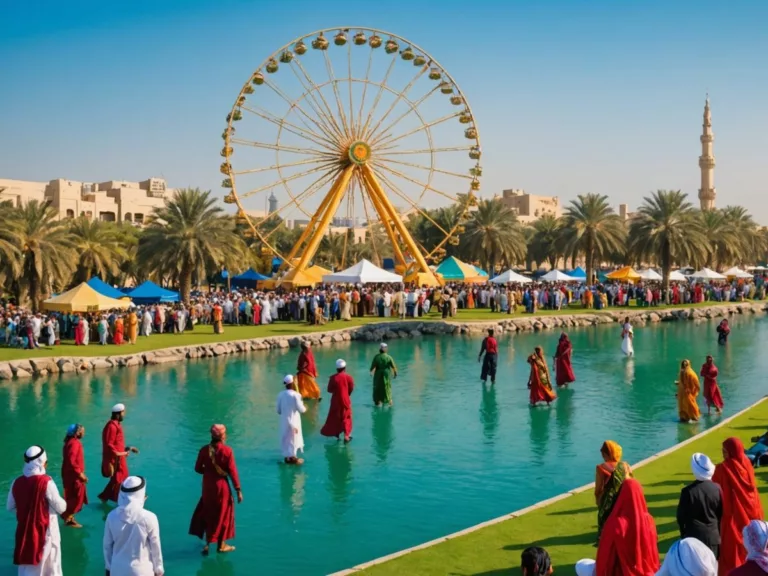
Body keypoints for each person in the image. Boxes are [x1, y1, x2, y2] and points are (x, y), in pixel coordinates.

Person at [578, 479, 660, 576]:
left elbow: (605, 556)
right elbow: (652, 553)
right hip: (647, 571)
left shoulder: (616, 522)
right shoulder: (649, 520)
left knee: (580, 564)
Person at [7, 446, 67, 576]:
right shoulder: (46, 482)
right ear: (42, 462)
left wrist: (27, 511)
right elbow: (61, 508)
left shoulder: (16, 482)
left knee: (26, 568)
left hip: (24, 531)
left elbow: (10, 506)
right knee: (50, 566)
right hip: (46, 531)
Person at [713, 437, 765, 576]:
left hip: (734, 514)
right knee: (754, 541)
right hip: (752, 507)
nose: (723, 454)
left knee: (733, 549)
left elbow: (716, 489)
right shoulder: (747, 463)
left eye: (725, 451)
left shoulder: (723, 468)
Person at [189, 424, 242, 556]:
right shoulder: (227, 451)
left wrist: (208, 472)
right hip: (221, 487)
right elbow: (232, 472)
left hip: (207, 486)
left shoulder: (204, 450)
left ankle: (207, 545)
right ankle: (221, 545)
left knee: (208, 511)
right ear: (223, 436)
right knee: (223, 513)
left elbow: (197, 468)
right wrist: (238, 490)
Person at [103, 476, 164, 576]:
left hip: (117, 570)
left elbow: (107, 546)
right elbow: (155, 547)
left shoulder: (111, 516)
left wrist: (108, 567)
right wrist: (159, 570)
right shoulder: (149, 517)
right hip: (142, 571)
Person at [676, 453, 722, 557]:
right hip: (713, 538)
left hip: (694, 538)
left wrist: (684, 534)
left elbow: (681, 517)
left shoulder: (687, 491)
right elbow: (721, 513)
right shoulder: (717, 488)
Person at [98, 404, 139, 504]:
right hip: (116, 459)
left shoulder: (116, 425)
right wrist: (120, 453)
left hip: (120, 457)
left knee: (118, 478)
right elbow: (109, 444)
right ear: (118, 414)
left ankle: (105, 496)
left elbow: (118, 443)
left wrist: (128, 448)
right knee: (121, 478)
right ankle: (121, 500)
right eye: (123, 413)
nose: (124, 415)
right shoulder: (112, 427)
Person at [595, 440, 632, 539]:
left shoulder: (601, 467)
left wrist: (598, 499)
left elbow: (599, 487)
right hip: (624, 497)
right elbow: (631, 480)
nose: (602, 455)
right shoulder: (625, 465)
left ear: (606, 454)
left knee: (605, 519)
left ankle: (604, 535)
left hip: (609, 500)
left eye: (603, 453)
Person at [321, 359, 355, 443]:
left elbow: (329, 390)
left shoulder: (333, 378)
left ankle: (336, 434)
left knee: (335, 417)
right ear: (345, 368)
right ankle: (346, 436)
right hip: (346, 400)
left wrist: (336, 391)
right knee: (346, 417)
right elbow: (351, 388)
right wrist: (346, 394)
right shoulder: (349, 377)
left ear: (337, 369)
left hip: (335, 401)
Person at [61, 424, 88, 528]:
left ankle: (69, 518)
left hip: (69, 474)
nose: (83, 433)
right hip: (74, 476)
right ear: (77, 433)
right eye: (82, 431)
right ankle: (67, 517)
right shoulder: (75, 443)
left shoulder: (68, 443)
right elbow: (72, 461)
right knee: (77, 498)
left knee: (71, 496)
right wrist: (81, 474)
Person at [277, 375, 307, 465]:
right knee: (294, 438)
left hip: (284, 421)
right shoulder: (296, 395)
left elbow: (278, 411)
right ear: (293, 384)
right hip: (294, 420)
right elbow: (301, 409)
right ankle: (293, 458)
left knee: (286, 438)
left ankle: (287, 457)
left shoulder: (280, 395)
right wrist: (305, 407)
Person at [370, 342, 398, 407]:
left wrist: (371, 372)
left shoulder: (376, 357)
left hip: (378, 375)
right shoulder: (389, 357)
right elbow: (393, 366)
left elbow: (372, 368)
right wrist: (395, 374)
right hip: (386, 374)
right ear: (386, 349)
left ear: (379, 349)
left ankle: (378, 402)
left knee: (378, 388)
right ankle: (390, 402)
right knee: (387, 387)